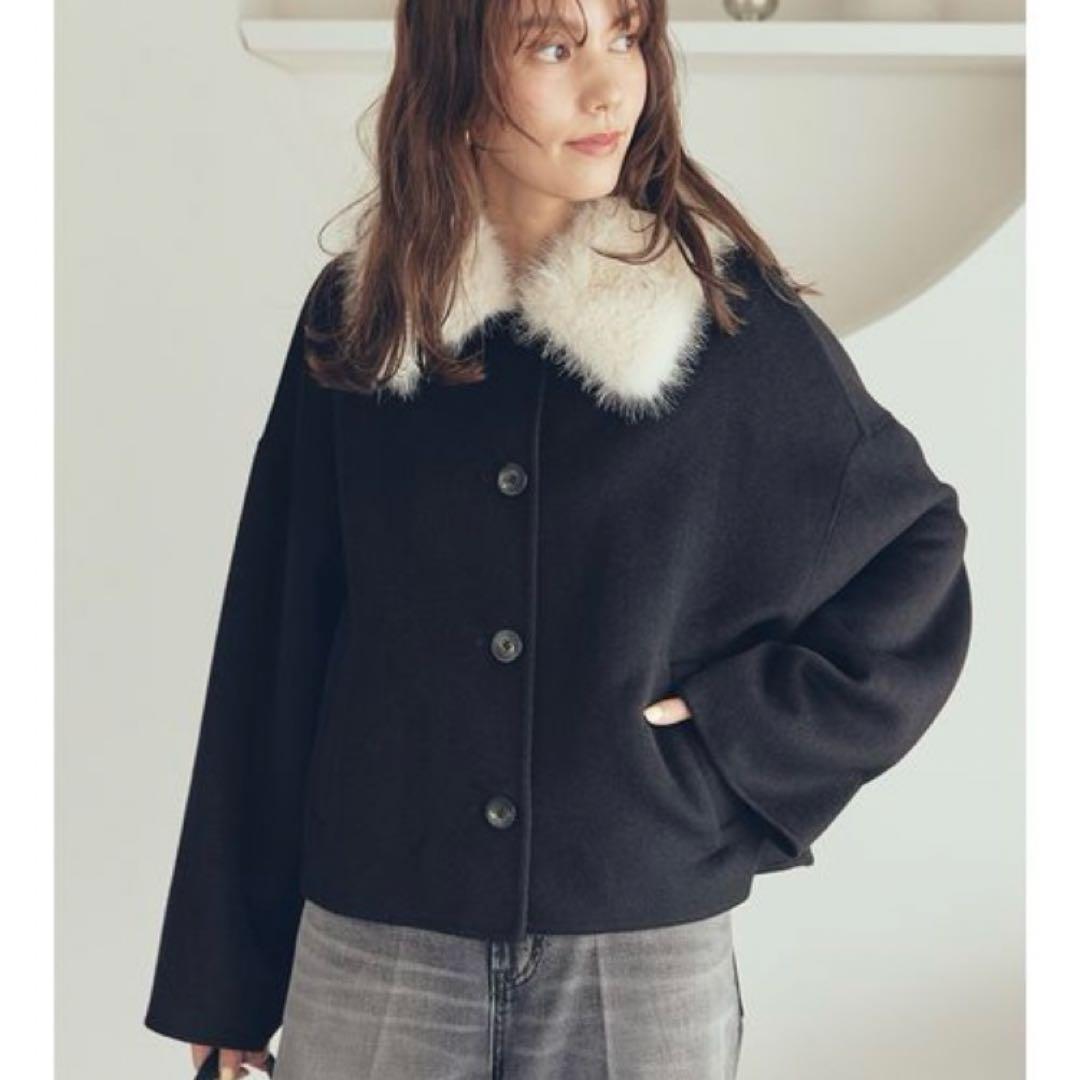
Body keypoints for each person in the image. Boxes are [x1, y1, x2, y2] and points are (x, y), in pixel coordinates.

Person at [143, 1, 974, 1077]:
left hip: (637, 961)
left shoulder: (722, 321)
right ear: (455, 71)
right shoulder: (367, 318)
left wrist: (737, 729)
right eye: (552, 44)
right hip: (381, 945)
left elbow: (915, 547)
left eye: (625, 35)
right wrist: (226, 982)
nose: (608, 84)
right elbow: (275, 643)